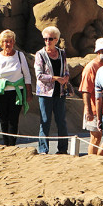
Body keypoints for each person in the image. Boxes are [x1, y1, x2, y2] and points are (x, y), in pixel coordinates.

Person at [0, 30, 33, 146]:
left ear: (13, 42)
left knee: (13, 120)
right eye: (5, 41)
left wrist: (29, 93)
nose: (7, 44)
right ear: (1, 43)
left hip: (17, 92)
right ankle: (6, 145)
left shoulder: (20, 56)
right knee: (3, 120)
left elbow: (27, 75)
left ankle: (12, 144)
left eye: (10, 41)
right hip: (1, 92)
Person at [34, 26, 70, 155]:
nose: (47, 41)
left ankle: (63, 148)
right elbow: (39, 75)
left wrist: (65, 77)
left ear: (56, 39)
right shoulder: (40, 54)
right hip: (45, 93)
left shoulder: (62, 53)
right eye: (45, 39)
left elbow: (66, 69)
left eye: (50, 39)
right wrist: (55, 78)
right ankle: (43, 149)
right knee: (45, 121)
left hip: (60, 92)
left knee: (61, 120)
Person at [80, 37, 103, 156]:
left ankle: (99, 158)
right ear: (98, 51)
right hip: (94, 108)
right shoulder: (91, 67)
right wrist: (88, 110)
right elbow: (85, 90)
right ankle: (92, 161)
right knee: (95, 138)